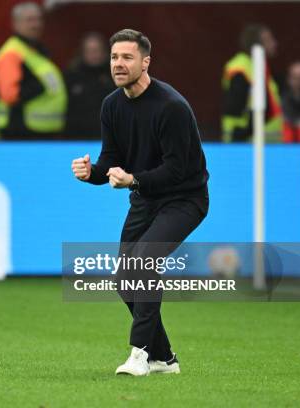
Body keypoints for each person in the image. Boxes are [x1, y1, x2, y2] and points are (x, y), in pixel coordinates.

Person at [71, 29, 209, 376]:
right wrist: (93, 173)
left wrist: (134, 180)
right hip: (145, 200)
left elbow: (178, 170)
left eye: (127, 57)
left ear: (145, 62)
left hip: (185, 199)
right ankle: (165, 359)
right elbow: (112, 161)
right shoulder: (112, 105)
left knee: (145, 260)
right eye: (115, 57)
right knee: (123, 279)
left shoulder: (172, 107)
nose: (118, 64)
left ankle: (140, 354)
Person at [0, 2, 66, 139]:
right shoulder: (12, 53)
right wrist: (39, 86)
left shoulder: (35, 50)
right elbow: (9, 95)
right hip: (22, 132)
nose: (36, 24)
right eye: (30, 20)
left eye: (39, 19)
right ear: (16, 24)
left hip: (42, 132)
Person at [222, 24, 282, 142]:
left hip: (262, 143)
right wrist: (245, 132)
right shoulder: (241, 68)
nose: (275, 44)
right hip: (244, 142)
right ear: (256, 44)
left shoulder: (259, 66)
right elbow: (235, 106)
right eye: (269, 40)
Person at [64, 32, 115, 139]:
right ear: (82, 53)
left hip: (108, 139)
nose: (93, 54)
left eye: (97, 50)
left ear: (105, 52)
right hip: (76, 140)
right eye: (89, 51)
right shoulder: (71, 78)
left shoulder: (116, 77)